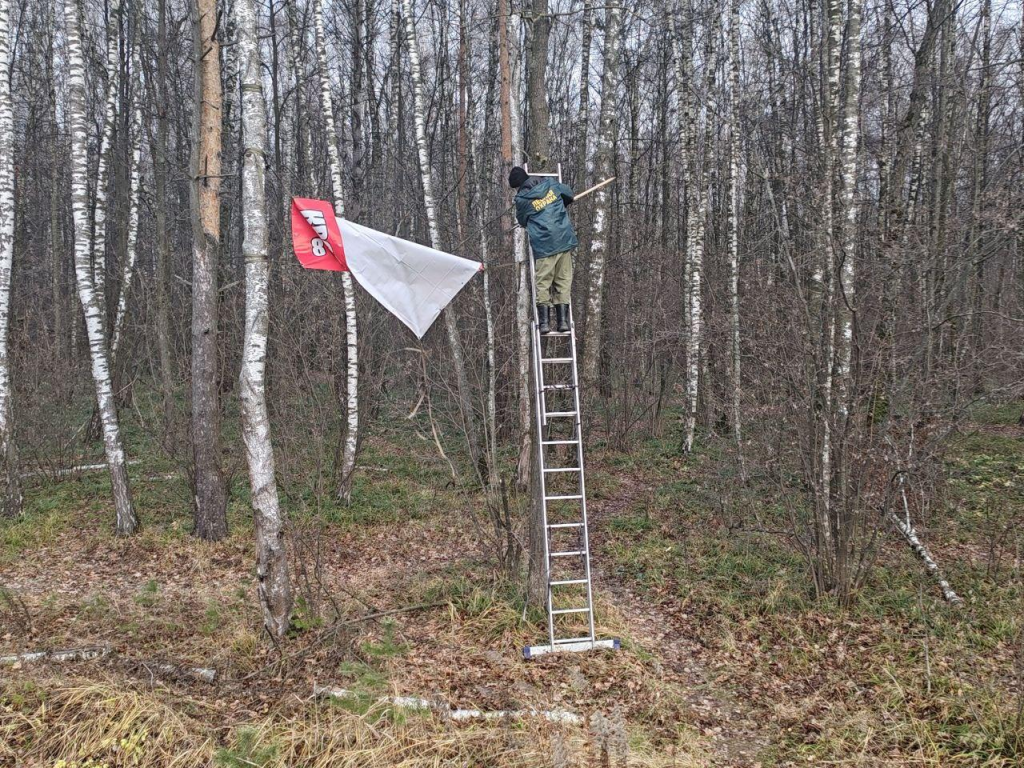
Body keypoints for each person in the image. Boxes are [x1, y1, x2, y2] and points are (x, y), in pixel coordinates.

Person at [509, 166, 577, 334]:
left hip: (544, 245)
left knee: (543, 283)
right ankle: (563, 322)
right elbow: (569, 194)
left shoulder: (522, 199)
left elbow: (523, 221)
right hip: (563, 239)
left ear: (518, 186)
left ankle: (545, 323)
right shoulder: (550, 184)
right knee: (563, 280)